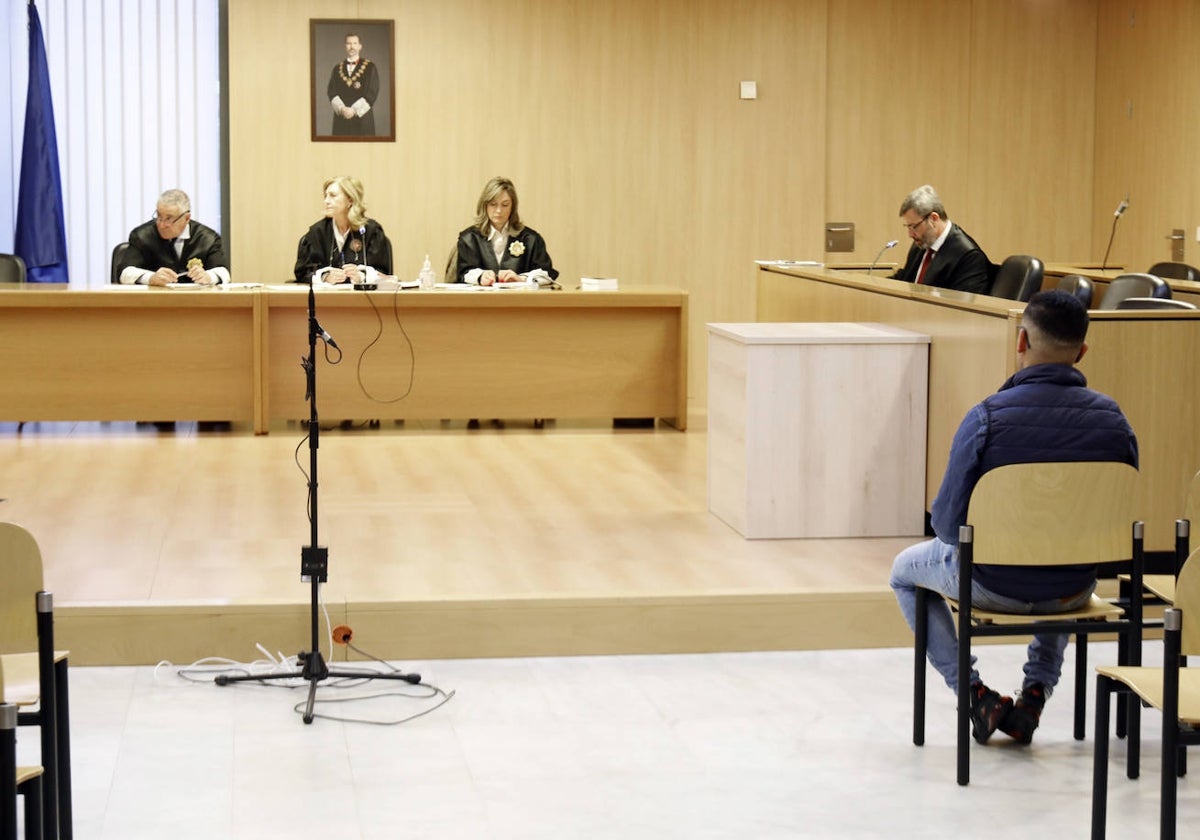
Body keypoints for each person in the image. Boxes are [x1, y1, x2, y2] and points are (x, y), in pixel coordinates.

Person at [889, 290, 1138, 746]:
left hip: (992, 585)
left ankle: (975, 694)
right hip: (1073, 589)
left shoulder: (987, 417)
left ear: (1020, 341)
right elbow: (1117, 510)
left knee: (904, 572)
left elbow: (946, 525)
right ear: (1082, 351)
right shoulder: (1114, 421)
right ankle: (1035, 695)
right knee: (1060, 551)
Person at [455, 176, 558, 286]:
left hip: (520, 301)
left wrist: (521, 278)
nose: (499, 210)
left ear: (512, 207)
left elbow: (547, 273)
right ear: (484, 205)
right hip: (480, 301)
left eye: (505, 205)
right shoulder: (469, 238)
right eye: (493, 204)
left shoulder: (531, 239)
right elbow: (463, 272)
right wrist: (480, 276)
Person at [117, 189, 230, 286]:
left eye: (169, 219)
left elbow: (223, 272)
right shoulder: (141, 236)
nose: (161, 225)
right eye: (159, 216)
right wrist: (150, 278)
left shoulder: (207, 238)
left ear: (186, 218)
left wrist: (208, 277)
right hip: (153, 302)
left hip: (196, 302)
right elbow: (125, 273)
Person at [892, 184, 991, 295]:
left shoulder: (969, 257)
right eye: (908, 227)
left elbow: (963, 308)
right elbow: (905, 279)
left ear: (933, 218)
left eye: (914, 226)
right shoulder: (921, 245)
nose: (910, 234)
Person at [293, 176, 392, 284]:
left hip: (362, 299)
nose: (326, 201)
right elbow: (302, 272)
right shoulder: (317, 233)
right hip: (325, 299)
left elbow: (384, 273)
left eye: (333, 196)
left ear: (350, 200)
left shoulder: (371, 232)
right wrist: (325, 276)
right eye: (325, 196)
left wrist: (361, 275)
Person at [327, 33, 379, 137]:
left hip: (363, 119)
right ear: (345, 46)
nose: (352, 46)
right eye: (349, 43)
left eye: (355, 43)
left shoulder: (370, 67)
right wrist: (342, 109)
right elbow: (331, 91)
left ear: (360, 46)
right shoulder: (337, 68)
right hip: (341, 119)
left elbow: (372, 92)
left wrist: (354, 110)